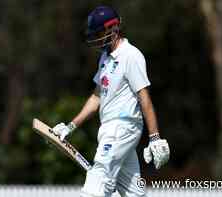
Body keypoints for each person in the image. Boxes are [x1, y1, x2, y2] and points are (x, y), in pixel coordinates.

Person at [52, 6, 170, 197]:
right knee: (134, 192)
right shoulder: (105, 59)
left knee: (96, 183)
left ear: (113, 29)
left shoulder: (131, 55)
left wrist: (155, 137)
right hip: (109, 129)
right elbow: (96, 97)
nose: (97, 38)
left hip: (123, 127)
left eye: (99, 33)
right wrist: (70, 126)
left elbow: (144, 97)